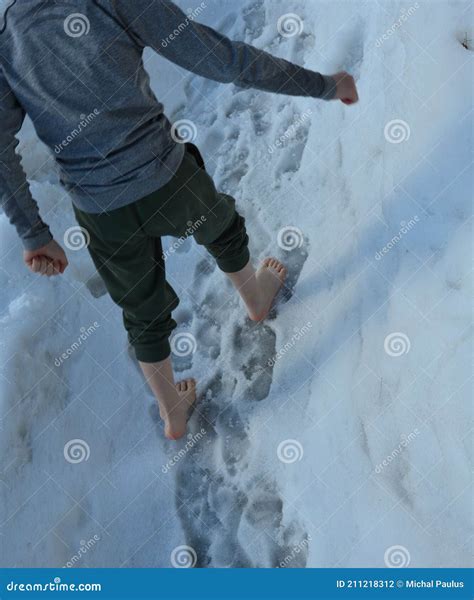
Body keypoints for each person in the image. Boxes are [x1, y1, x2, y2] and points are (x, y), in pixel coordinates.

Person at [0, 0, 358, 440]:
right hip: (165, 176)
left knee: (140, 309)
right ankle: (255, 296)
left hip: (99, 211)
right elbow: (220, 57)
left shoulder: (6, 42)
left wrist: (34, 233)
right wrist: (324, 85)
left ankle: (173, 412)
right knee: (221, 227)